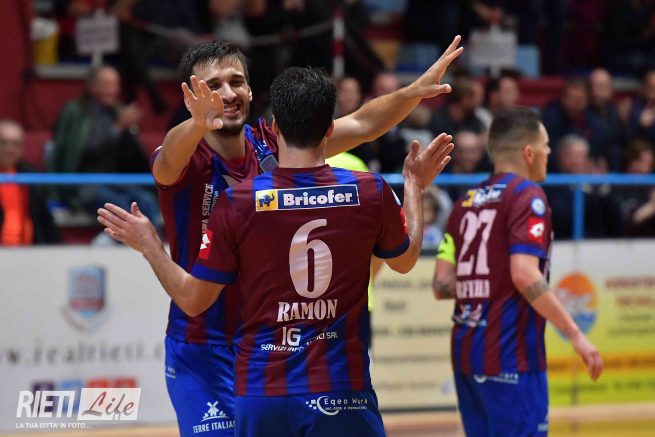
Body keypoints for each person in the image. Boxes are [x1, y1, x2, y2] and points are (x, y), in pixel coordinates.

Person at [102, 38, 462, 436]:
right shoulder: (184, 158)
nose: (228, 93)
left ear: (250, 90)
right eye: (213, 86)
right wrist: (197, 123)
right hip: (203, 346)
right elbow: (169, 153)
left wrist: (414, 91)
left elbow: (364, 124)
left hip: (267, 346)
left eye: (236, 81)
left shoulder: (273, 142)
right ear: (191, 97)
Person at [432, 107, 603, 436]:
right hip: (511, 355)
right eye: (546, 145)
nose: (549, 152)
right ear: (529, 152)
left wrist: (486, 281)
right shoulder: (527, 195)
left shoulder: (464, 202)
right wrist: (575, 335)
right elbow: (524, 274)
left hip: (467, 354)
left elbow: (441, 285)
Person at [50, 64, 160, 229]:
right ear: (92, 86)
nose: (114, 90)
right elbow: (84, 151)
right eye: (108, 85)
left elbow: (128, 155)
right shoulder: (75, 112)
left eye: (116, 85)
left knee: (146, 201)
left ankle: (154, 245)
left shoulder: (116, 110)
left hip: (115, 179)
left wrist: (131, 130)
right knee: (120, 206)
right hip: (84, 181)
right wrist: (118, 128)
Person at [0, 120, 60, 245]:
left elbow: (45, 221)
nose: (9, 149)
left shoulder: (31, 177)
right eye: (3, 143)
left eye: (15, 144)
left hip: (28, 251)